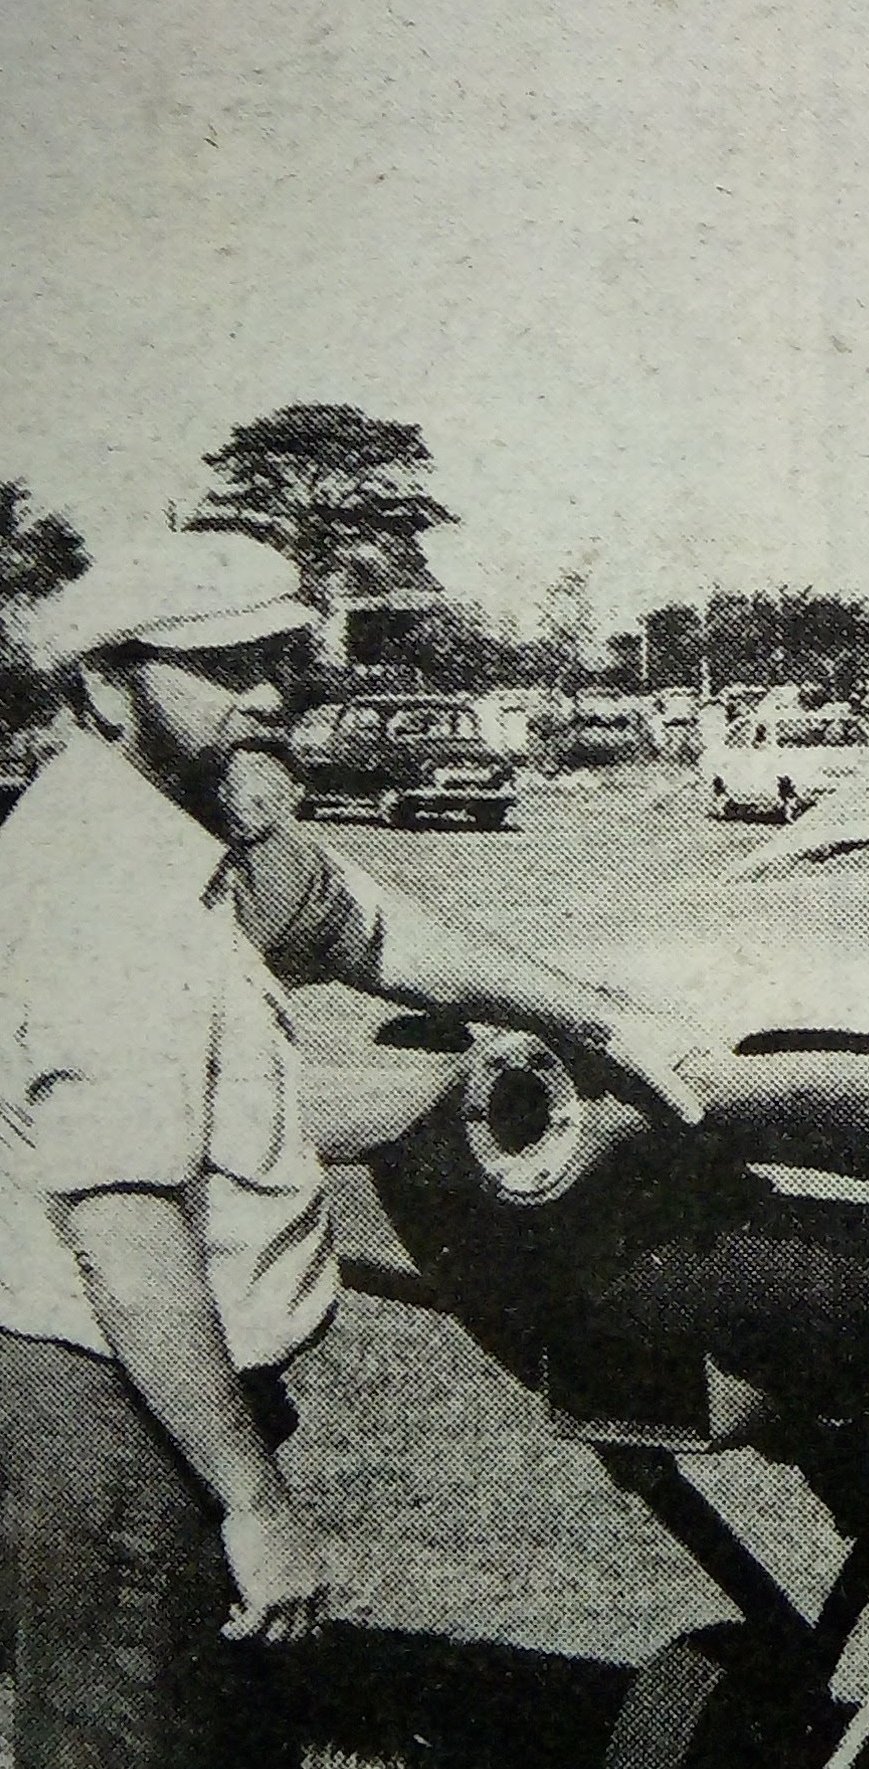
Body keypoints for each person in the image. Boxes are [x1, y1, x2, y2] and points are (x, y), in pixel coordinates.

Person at [0, 532, 708, 1767]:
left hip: (171, 1388)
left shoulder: (196, 828)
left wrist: (603, 1017)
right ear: (108, 688)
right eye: (223, 663)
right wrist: (255, 1504)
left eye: (281, 655)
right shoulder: (104, 899)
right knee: (126, 1734)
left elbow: (371, 929)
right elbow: (126, 1239)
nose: (269, 691)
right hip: (113, 1396)